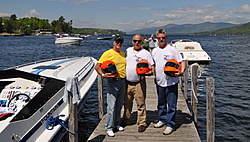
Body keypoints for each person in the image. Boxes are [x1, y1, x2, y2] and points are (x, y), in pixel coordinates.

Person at [151, 29, 186, 135]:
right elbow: (153, 65)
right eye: (159, 38)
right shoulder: (154, 51)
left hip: (172, 82)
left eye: (163, 38)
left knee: (171, 105)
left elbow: (182, 62)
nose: (161, 39)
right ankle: (162, 119)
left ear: (166, 38)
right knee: (161, 104)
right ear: (156, 39)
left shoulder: (172, 50)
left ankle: (170, 124)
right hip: (159, 82)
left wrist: (181, 71)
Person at [121, 34, 155, 132]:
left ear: (142, 42)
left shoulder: (146, 53)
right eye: (135, 41)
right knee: (127, 103)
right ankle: (127, 120)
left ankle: (142, 123)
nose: (137, 43)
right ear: (132, 41)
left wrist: (149, 73)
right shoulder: (127, 51)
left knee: (141, 103)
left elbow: (152, 67)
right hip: (127, 82)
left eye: (139, 41)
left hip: (139, 82)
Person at [95, 36, 126, 137]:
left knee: (119, 105)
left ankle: (116, 124)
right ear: (113, 42)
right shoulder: (107, 53)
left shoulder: (123, 54)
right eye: (117, 41)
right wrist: (103, 75)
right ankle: (109, 127)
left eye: (121, 42)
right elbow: (97, 66)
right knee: (111, 106)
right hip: (113, 82)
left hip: (123, 81)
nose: (119, 44)